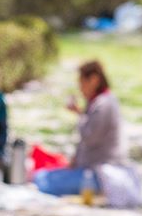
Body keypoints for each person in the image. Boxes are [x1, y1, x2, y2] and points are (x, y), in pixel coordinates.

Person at [34, 61, 126, 196]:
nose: (81, 88)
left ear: (94, 80)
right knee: (41, 175)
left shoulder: (104, 104)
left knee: (42, 180)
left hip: (100, 175)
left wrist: (79, 116)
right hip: (89, 171)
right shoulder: (97, 102)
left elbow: (89, 136)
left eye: (82, 83)